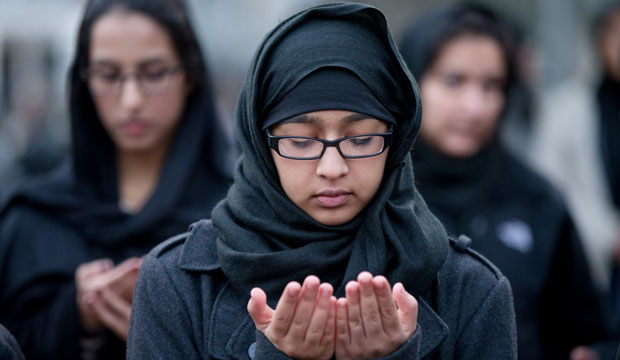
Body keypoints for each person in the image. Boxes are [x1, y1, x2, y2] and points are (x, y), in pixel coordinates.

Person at [127, 3, 517, 359]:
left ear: (395, 142)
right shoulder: (179, 284)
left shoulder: (471, 291)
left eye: (362, 139)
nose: (332, 167)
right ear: (261, 144)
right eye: (300, 140)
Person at [0, 0, 231, 358]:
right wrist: (76, 314)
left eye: (153, 73)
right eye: (108, 75)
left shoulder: (238, 216)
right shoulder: (32, 220)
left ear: (189, 75)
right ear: (83, 80)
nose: (131, 99)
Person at [398, 4, 608, 360]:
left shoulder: (538, 200)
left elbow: (585, 331)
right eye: (454, 81)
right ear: (410, 82)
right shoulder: (377, 197)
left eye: (492, 85)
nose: (475, 106)